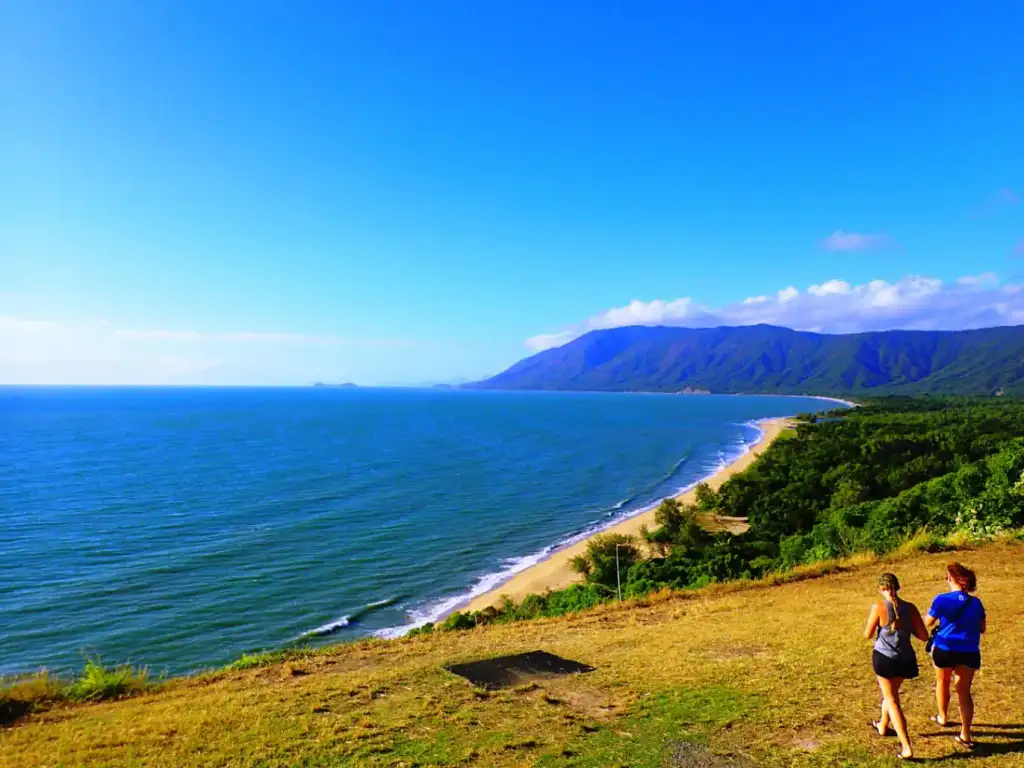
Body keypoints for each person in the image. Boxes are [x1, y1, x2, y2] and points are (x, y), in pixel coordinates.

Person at [864, 572, 929, 760]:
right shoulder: (910, 608)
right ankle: (883, 726)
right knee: (890, 694)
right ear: (897, 587)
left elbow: (867, 634)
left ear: (881, 589)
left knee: (891, 700)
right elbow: (923, 636)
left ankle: (906, 746)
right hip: (905, 658)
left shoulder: (878, 607)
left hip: (885, 657)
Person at [926, 562, 986, 751]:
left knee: (942, 682)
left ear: (952, 579)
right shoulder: (976, 603)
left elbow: (928, 622)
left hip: (945, 648)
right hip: (968, 651)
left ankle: (942, 716)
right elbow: (982, 628)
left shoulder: (941, 599)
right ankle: (965, 733)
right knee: (964, 692)